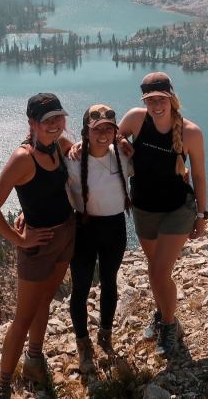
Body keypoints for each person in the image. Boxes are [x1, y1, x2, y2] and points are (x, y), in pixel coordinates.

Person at [0, 93, 76, 399]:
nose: (55, 124)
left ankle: (34, 360)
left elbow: (83, 152)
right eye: (47, 120)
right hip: (38, 246)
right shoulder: (23, 158)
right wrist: (20, 239)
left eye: (58, 118)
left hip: (65, 234)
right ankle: (4, 384)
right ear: (32, 123)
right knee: (23, 317)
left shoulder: (59, 146)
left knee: (45, 300)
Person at [119, 72, 208, 357]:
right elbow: (109, 139)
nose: (156, 105)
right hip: (144, 208)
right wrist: (117, 141)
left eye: (161, 99)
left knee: (159, 273)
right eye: (150, 100)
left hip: (177, 209)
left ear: (171, 98)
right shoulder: (136, 119)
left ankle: (170, 325)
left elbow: (200, 177)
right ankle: (162, 313)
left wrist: (202, 216)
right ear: (144, 101)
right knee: (154, 269)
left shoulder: (191, 132)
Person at [65, 104, 132, 373]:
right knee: (80, 288)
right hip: (84, 229)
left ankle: (105, 335)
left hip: (115, 228)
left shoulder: (123, 155)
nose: (103, 134)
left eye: (108, 129)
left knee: (109, 282)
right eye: (97, 129)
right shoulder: (73, 160)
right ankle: (83, 345)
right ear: (86, 132)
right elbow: (51, 186)